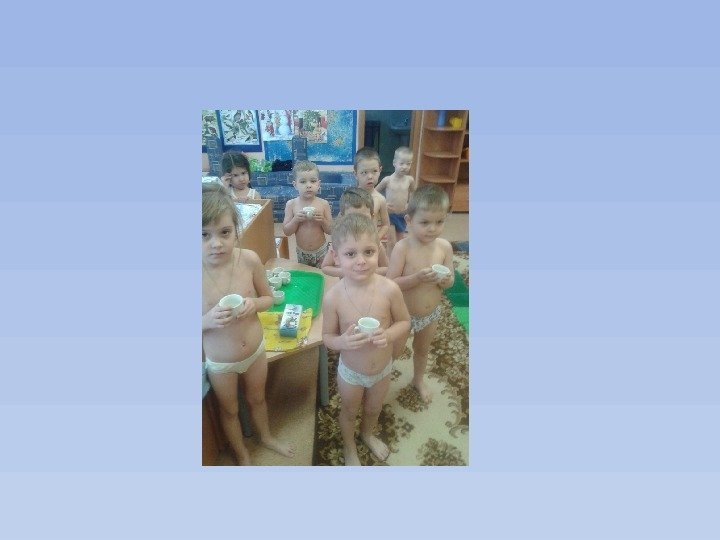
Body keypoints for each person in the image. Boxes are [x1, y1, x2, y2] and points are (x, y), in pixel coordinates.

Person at [202, 183, 295, 465]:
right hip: (221, 361)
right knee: (229, 410)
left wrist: (254, 304)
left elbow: (268, 298)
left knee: (258, 399)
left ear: (236, 230)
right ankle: (242, 454)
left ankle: (266, 437)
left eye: (225, 232)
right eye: (204, 235)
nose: (216, 243)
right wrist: (205, 320)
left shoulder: (249, 260)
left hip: (255, 351)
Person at [322, 213, 410, 465]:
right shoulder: (333, 297)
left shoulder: (390, 289)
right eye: (351, 254)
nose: (361, 261)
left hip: (382, 368)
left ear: (378, 250)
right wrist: (342, 342)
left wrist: (389, 334)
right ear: (336, 256)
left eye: (369, 252)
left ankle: (367, 434)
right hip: (351, 372)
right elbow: (327, 336)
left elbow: (405, 322)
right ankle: (349, 446)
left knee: (373, 408)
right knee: (349, 411)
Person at [386, 185, 455, 403]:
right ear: (408, 220)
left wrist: (446, 280)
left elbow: (451, 280)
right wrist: (416, 278)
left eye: (439, 222)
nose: (432, 229)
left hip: (430, 314)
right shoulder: (402, 248)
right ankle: (381, 380)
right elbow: (390, 283)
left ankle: (418, 380)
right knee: (393, 351)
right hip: (403, 315)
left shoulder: (444, 247)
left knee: (422, 350)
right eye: (425, 222)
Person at [320, 187, 389, 277]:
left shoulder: (375, 243)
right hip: (346, 285)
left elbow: (386, 268)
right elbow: (325, 267)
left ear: (372, 217)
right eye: (352, 217)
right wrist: (348, 272)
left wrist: (368, 272)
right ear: (342, 217)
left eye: (363, 217)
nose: (357, 221)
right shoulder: (340, 242)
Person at [282, 160, 332, 267]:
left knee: (322, 273)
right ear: (295, 185)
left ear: (318, 184)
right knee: (305, 274)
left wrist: (323, 220)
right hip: (302, 253)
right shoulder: (291, 204)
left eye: (313, 181)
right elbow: (287, 232)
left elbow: (330, 230)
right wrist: (295, 220)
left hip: (321, 251)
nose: (308, 185)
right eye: (303, 182)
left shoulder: (324, 204)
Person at [375, 146, 416, 256]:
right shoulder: (387, 180)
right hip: (389, 215)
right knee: (391, 241)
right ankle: (389, 262)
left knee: (400, 241)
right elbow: (374, 193)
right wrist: (383, 204)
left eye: (408, 164)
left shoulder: (410, 180)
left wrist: (410, 204)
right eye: (401, 163)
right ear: (394, 163)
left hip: (403, 215)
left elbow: (414, 193)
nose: (405, 167)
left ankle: (399, 258)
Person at [353, 147, 390, 246]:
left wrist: (376, 238)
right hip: (352, 242)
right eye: (364, 172)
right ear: (355, 174)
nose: (370, 176)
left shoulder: (380, 199)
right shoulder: (350, 197)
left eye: (374, 171)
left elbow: (386, 224)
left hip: (371, 243)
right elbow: (342, 221)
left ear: (380, 170)